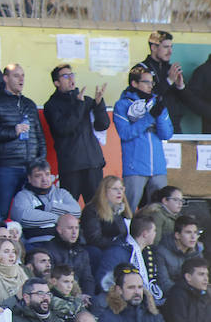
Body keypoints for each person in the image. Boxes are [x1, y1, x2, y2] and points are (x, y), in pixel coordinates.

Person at [0, 63, 46, 217]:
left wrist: (39, 163)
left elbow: (39, 135)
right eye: (16, 75)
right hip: (7, 168)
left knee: (31, 212)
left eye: (23, 75)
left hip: (31, 168)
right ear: (5, 78)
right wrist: (13, 132)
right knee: (1, 211)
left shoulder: (29, 104)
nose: (21, 79)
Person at [43, 64, 110, 203]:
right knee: (69, 208)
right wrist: (79, 105)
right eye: (65, 76)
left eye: (72, 75)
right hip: (71, 166)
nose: (70, 78)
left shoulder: (86, 100)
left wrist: (99, 104)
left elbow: (102, 125)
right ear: (56, 83)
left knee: (97, 208)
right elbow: (64, 128)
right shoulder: (52, 105)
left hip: (93, 163)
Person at [114, 64, 174, 209]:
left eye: (152, 82)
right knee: (129, 208)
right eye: (146, 82)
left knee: (160, 209)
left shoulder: (155, 102)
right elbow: (125, 133)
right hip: (135, 167)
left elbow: (166, 134)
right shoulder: (122, 105)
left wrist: (158, 114)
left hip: (158, 167)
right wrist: (149, 117)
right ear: (134, 83)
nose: (150, 86)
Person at [8, 159, 81, 246]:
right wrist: (59, 219)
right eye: (38, 176)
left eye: (47, 174)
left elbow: (77, 212)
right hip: (38, 243)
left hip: (64, 242)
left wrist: (47, 207)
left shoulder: (61, 193)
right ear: (29, 178)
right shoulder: (23, 196)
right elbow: (23, 217)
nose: (44, 179)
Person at [98, 217, 170, 300]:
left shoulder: (147, 252)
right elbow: (104, 284)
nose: (156, 234)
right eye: (154, 230)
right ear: (145, 234)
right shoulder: (116, 253)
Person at [162, 257, 211, 322]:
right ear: (188, 277)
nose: (206, 279)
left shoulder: (205, 295)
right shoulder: (177, 296)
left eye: (207, 275)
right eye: (201, 274)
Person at [81, 175, 131, 250]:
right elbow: (94, 239)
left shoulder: (123, 210)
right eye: (115, 189)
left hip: (120, 249)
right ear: (104, 191)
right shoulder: (92, 210)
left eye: (121, 188)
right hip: (102, 251)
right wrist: (117, 244)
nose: (119, 192)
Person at [155, 215, 203, 287]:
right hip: (170, 295)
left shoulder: (197, 252)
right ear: (177, 235)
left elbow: (201, 279)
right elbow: (164, 283)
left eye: (195, 232)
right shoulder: (161, 252)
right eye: (188, 232)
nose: (193, 237)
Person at [0, 238, 30, 305]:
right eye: (6, 251)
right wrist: (16, 297)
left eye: (13, 251)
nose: (12, 255)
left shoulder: (22, 271)